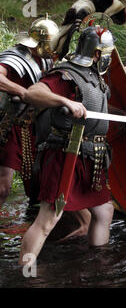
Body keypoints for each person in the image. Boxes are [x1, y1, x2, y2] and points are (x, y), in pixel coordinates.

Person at [18, 26, 115, 266]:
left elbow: (99, 112)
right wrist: (63, 101)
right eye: (105, 54)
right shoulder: (66, 74)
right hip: (66, 154)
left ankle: (96, 264)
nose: (107, 59)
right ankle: (26, 274)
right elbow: (33, 93)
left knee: (104, 211)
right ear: (96, 54)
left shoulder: (95, 78)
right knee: (48, 218)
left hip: (91, 156)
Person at [0, 15, 58, 207]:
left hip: (35, 128)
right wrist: (23, 92)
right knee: (2, 186)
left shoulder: (45, 59)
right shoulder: (15, 56)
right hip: (9, 127)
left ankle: (32, 224)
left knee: (37, 184)